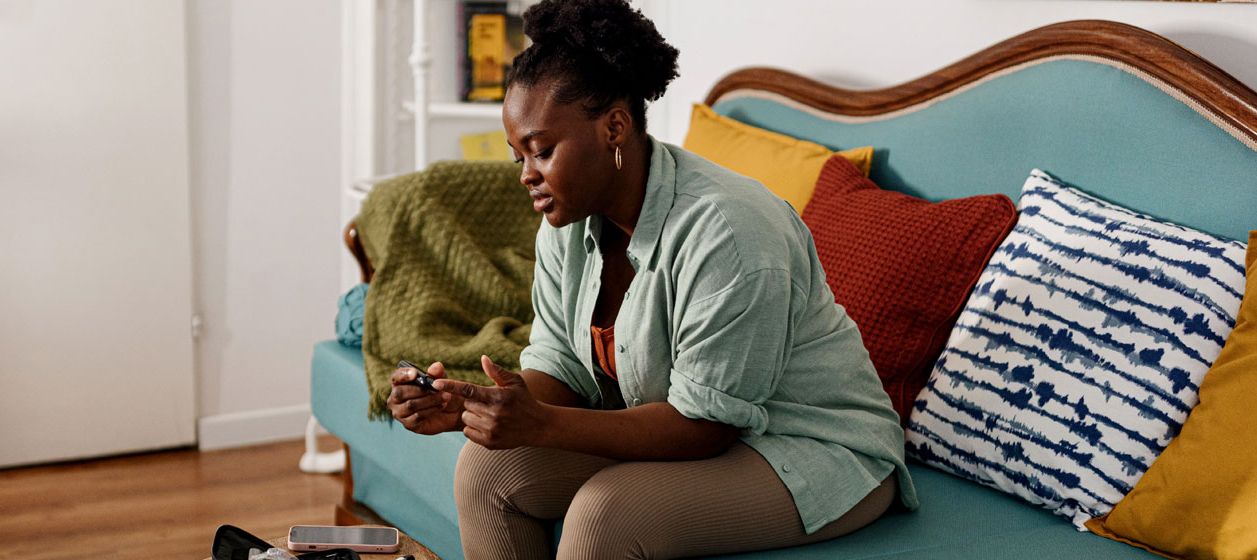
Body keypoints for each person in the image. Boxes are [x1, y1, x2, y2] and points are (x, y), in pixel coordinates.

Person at [383, 1, 918, 558]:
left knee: (606, 516)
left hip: (809, 445)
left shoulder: (728, 230)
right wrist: (474, 406)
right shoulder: (566, 220)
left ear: (614, 126)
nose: (526, 175)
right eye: (519, 154)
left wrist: (540, 425)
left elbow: (705, 426)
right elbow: (560, 365)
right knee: (487, 471)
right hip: (704, 429)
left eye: (542, 151)